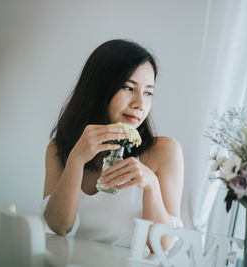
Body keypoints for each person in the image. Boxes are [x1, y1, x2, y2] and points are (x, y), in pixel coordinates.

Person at [42, 39, 184, 250]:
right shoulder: (58, 149)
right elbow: (58, 227)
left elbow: (163, 246)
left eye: (148, 92)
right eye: (128, 87)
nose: (140, 104)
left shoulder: (164, 151)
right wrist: (76, 160)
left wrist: (151, 186)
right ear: (99, 89)